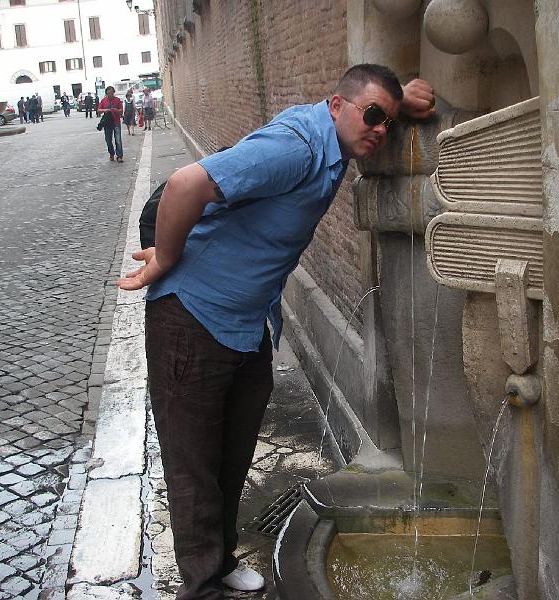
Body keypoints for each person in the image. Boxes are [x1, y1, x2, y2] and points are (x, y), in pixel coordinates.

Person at [116, 64, 435, 600]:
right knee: (194, 464)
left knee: (233, 453)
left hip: (247, 323)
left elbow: (368, 97)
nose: (381, 130)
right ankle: (201, 587)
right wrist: (166, 257)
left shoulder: (338, 134)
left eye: (389, 120)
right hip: (193, 316)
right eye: (373, 117)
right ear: (336, 106)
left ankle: (218, 561)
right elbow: (185, 183)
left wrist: (400, 94)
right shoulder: (297, 148)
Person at [97, 85, 123, 163]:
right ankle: (111, 153)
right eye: (108, 93)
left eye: (111, 93)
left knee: (118, 139)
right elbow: (98, 110)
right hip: (107, 123)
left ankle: (119, 155)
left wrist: (116, 110)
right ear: (106, 94)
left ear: (113, 93)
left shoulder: (117, 100)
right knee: (108, 140)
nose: (110, 95)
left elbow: (121, 111)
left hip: (116, 122)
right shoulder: (103, 101)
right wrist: (105, 110)